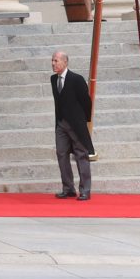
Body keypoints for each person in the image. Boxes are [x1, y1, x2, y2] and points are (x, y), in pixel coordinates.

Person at [51, 50, 94, 200]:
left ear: (65, 62)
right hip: (61, 124)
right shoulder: (53, 79)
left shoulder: (76, 79)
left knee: (81, 155)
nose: (53, 64)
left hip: (76, 124)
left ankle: (85, 190)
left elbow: (86, 102)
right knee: (61, 154)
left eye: (56, 61)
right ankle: (68, 188)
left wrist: (83, 121)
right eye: (52, 61)